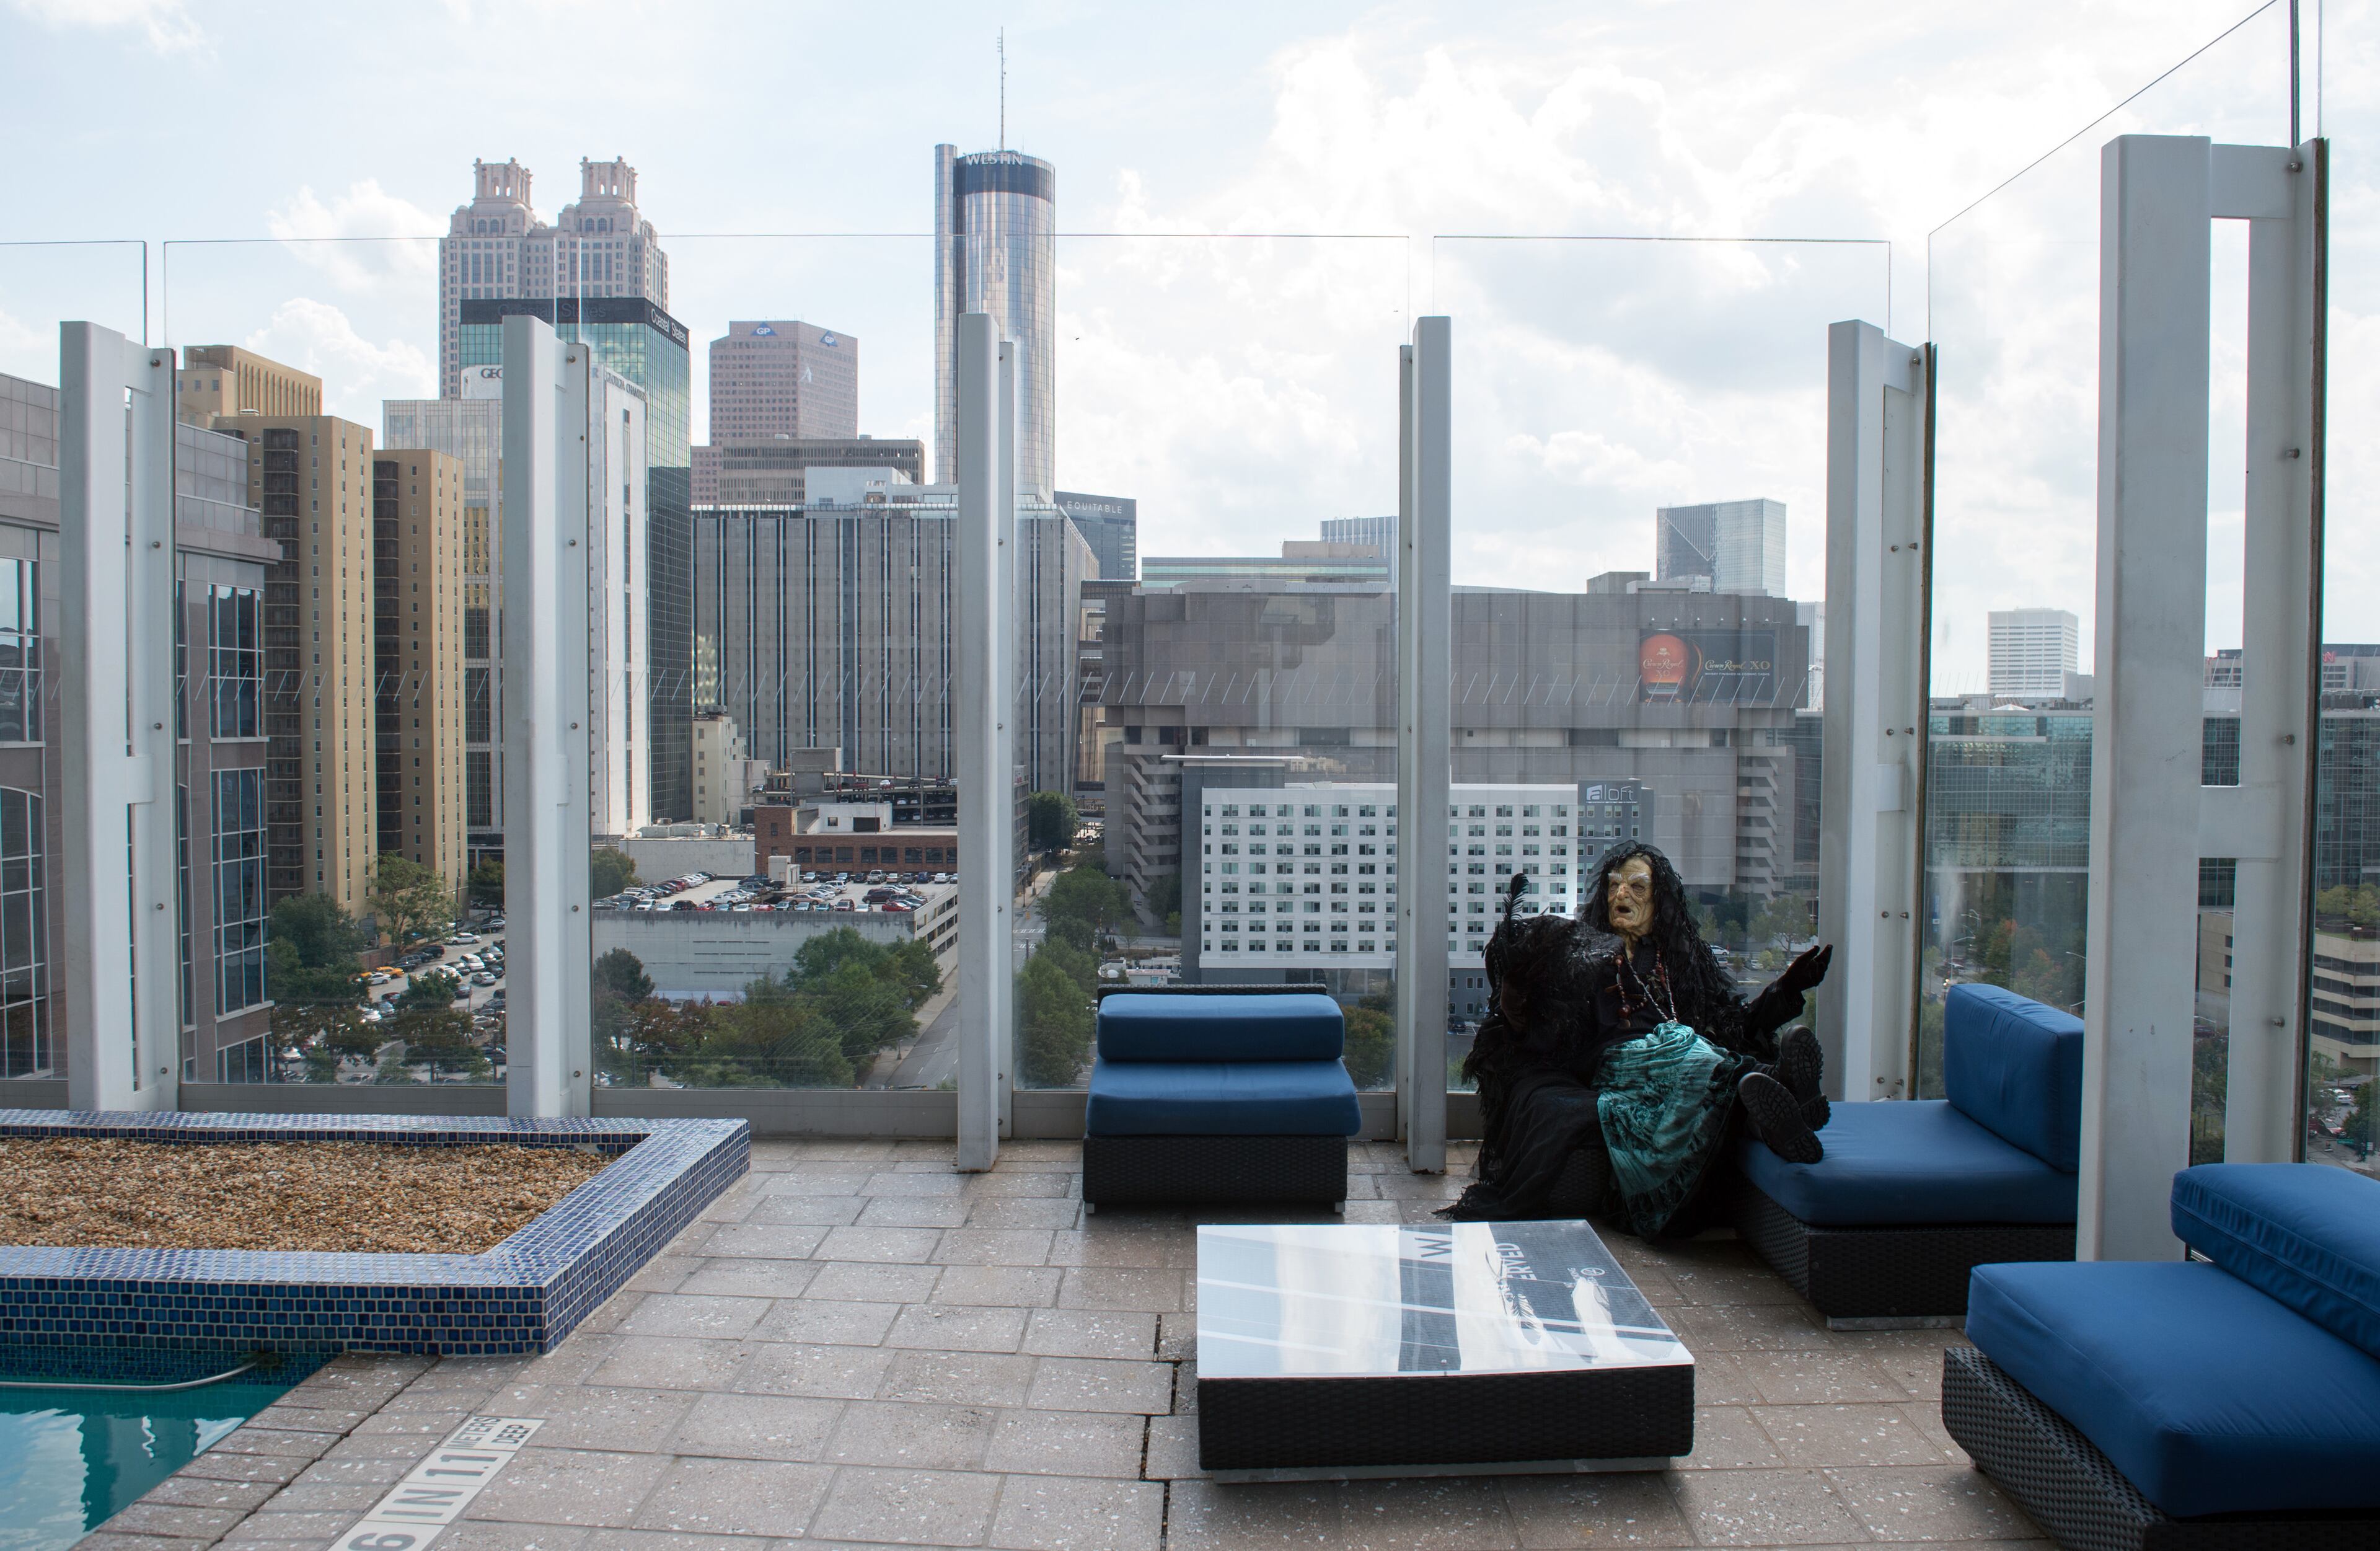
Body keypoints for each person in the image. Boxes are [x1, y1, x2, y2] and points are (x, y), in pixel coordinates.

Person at [1444, 843, 1832, 1235]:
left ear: (1660, 899)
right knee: (1691, 1048)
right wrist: (1517, 998)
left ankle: (1776, 1121)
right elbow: (1543, 1027)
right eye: (1614, 886)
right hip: (1617, 1064)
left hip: (1685, 1059)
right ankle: (1786, 1089)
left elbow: (1736, 1025)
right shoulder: (1582, 955)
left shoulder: (1681, 962)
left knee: (1698, 1052)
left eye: (1636, 887)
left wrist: (1787, 988)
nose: (1620, 895)